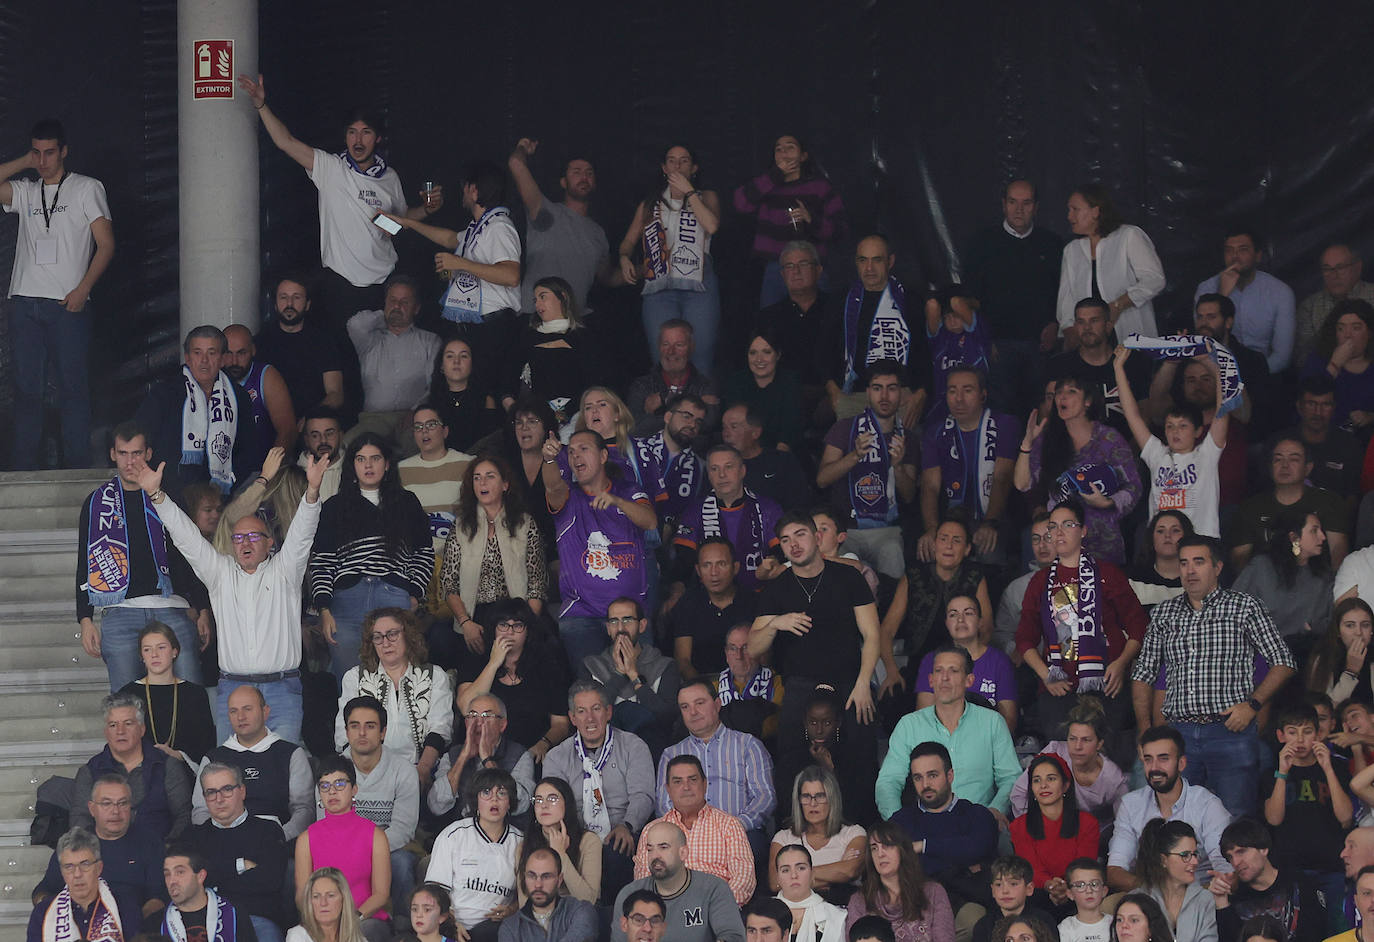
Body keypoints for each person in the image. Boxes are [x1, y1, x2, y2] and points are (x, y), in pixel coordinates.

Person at [139, 447, 325, 743]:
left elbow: (302, 533)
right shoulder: (220, 573)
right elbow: (187, 538)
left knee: (282, 770)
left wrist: (313, 491)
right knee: (230, 774)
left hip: (281, 690)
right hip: (233, 690)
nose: (245, 543)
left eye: (253, 537)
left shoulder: (285, 571)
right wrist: (157, 496)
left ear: (269, 543)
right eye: (238, 538)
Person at [237, 73, 440, 321]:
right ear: (345, 137)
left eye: (366, 132)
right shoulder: (331, 168)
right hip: (340, 284)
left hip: (384, 281)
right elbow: (285, 142)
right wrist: (261, 104)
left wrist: (427, 210)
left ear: (377, 138)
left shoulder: (390, 177)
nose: (358, 139)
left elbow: (401, 219)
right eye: (352, 132)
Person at [1130, 535, 1297, 817]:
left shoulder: (1244, 607)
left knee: (1234, 817)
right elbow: (1143, 672)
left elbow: (1284, 662)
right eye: (1183, 563)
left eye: (1198, 562)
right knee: (1179, 820)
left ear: (1217, 567)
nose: (1189, 570)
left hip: (1229, 730)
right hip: (1177, 733)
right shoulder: (1164, 613)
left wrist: (1252, 705)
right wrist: (1146, 730)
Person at [2, 119, 113, 469]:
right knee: (26, 390)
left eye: (49, 152)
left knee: (73, 389)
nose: (43, 159)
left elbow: (107, 245)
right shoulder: (25, 189)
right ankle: (23, 471)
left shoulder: (86, 188)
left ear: (64, 151)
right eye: (37, 152)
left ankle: (77, 469)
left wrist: (84, 289)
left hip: (68, 303)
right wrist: (24, 162)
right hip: (24, 301)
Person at [751, 509, 879, 801]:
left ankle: (865, 827)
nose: (793, 544)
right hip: (800, 683)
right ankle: (791, 833)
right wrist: (775, 623)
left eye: (800, 535)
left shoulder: (848, 577)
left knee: (860, 756)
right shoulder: (777, 589)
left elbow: (872, 634)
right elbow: (754, 647)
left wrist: (863, 683)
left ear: (816, 538)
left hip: (849, 681)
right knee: (792, 762)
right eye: (785, 540)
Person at [78, 421, 206, 692]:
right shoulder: (96, 501)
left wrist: (203, 607)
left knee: (191, 698)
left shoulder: (168, 495)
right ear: (112, 454)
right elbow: (85, 561)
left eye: (136, 453)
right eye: (123, 453)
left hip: (172, 606)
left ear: (148, 453)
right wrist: (85, 617)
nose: (129, 461)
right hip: (120, 611)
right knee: (126, 707)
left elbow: (189, 553)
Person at [1014, 499, 1146, 756]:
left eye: (1067, 524)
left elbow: (1139, 625)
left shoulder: (1107, 573)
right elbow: (1024, 638)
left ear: (1083, 530)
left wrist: (1120, 665)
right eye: (1053, 526)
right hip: (1058, 686)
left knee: (1106, 758)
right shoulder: (1041, 581)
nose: (1059, 532)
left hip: (1107, 684)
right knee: (1065, 759)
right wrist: (1045, 675)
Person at [310, 433, 433, 680]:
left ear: (387, 464)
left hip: (393, 593)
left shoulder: (406, 502)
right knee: (349, 681)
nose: (368, 465)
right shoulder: (335, 506)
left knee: (395, 677)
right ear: (352, 465)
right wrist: (324, 607)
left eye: (375, 458)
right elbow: (323, 561)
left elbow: (424, 553)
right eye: (360, 459)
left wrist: (413, 593)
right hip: (345, 599)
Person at [544, 429, 658, 667]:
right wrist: (549, 459)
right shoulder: (568, 498)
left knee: (641, 685)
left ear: (604, 456)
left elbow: (650, 521)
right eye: (572, 452)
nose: (576, 457)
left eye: (584, 449)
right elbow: (553, 487)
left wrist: (617, 501)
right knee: (592, 693)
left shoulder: (629, 491)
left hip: (630, 615)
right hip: (581, 616)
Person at [876, 645, 1021, 821]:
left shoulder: (993, 722)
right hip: (925, 825)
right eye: (938, 671)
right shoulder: (909, 725)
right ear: (930, 680)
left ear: (969, 680)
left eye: (953, 671)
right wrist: (898, 823)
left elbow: (1011, 777)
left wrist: (995, 811)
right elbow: (888, 781)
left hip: (979, 823)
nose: (944, 678)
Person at [1015, 371, 1142, 564]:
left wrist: (1107, 503)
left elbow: (1133, 486)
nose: (1062, 397)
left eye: (1071, 391)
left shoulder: (1108, 438)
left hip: (1103, 542)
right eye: (1058, 393)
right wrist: (1027, 445)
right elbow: (1022, 484)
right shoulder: (1047, 439)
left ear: (1088, 401)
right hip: (1061, 543)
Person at [618, 143, 723, 372]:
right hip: (660, 286)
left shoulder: (707, 197)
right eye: (672, 160)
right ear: (664, 167)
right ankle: (666, 407)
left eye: (684, 160)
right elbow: (627, 242)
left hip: (699, 285)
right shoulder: (650, 204)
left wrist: (689, 192)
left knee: (701, 358)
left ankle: (699, 406)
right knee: (663, 359)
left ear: (694, 167)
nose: (677, 165)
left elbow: (712, 225)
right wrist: (624, 258)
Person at [962, 180, 1064, 412]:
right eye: (1013, 202)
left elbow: (1064, 292)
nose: (1019, 209)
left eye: (1026, 203)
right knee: (1001, 415)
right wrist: (984, 339)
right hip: (996, 347)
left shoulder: (1052, 244)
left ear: (1036, 207)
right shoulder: (981, 243)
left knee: (1039, 413)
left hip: (1040, 347)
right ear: (1003, 205)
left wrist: (1055, 323)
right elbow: (970, 297)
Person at [542, 681, 655, 891]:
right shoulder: (556, 757)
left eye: (596, 709)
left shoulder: (633, 746)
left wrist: (627, 825)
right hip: (576, 836)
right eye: (582, 711)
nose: (590, 718)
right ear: (572, 718)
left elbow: (643, 795)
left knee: (618, 850)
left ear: (608, 712)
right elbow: (552, 805)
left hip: (622, 832)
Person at [439, 453, 548, 665]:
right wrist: (465, 623)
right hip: (475, 615)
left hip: (516, 612)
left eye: (490, 476)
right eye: (477, 477)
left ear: (505, 484)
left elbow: (537, 583)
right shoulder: (461, 526)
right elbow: (448, 584)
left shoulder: (524, 523)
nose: (482, 482)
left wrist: (523, 626)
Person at [817, 359, 919, 578]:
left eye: (891, 389)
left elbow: (910, 496)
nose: (884, 396)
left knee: (893, 554)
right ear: (867, 392)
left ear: (901, 395)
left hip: (886, 529)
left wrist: (898, 466)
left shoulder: (907, 437)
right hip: (846, 528)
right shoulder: (845, 428)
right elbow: (822, 479)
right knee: (838, 570)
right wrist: (854, 456)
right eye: (877, 388)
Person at [880, 517, 994, 709]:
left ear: (967, 549)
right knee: (893, 702)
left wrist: (972, 665)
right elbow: (887, 630)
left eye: (957, 540)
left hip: (963, 662)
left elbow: (987, 627)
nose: (949, 545)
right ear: (934, 545)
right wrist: (891, 671)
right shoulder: (914, 575)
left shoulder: (974, 575)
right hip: (919, 665)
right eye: (943, 539)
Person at [1114, 344, 1227, 537]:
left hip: (1198, 544)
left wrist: (1213, 367)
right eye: (1170, 426)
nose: (1175, 432)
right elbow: (1132, 415)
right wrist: (1118, 368)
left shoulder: (1206, 454)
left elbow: (1223, 410)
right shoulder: (1157, 454)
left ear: (1198, 431)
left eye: (1183, 426)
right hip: (1161, 545)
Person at [134, 324, 256, 503]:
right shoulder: (165, 394)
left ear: (222, 359)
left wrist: (226, 486)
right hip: (168, 497)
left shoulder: (238, 397)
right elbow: (140, 438)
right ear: (188, 358)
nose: (204, 360)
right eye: (197, 353)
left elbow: (248, 451)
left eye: (212, 353)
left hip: (219, 501)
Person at [1106, 726, 1232, 893]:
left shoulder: (1207, 805)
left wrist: (1188, 897)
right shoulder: (1131, 804)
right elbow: (1115, 871)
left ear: (1181, 763)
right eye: (1148, 759)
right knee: (1105, 908)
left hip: (1198, 896)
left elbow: (1226, 871)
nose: (1154, 767)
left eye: (1163, 758)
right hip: (1148, 897)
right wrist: (1158, 892)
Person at [334, 608, 454, 776]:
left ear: (408, 635)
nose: (385, 643)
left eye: (392, 634)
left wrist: (423, 770)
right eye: (378, 637)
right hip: (367, 771)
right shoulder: (354, 677)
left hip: (422, 769)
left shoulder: (435, 676)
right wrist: (366, 772)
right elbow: (343, 733)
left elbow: (441, 729)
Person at [31, 776, 163, 928]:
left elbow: (158, 898)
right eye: (107, 804)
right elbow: (42, 892)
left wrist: (128, 924)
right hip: (79, 927)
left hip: (133, 926)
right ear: (92, 808)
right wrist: (53, 910)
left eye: (122, 803)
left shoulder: (149, 842)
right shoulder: (74, 843)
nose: (115, 811)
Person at [887, 742, 999, 920]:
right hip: (914, 906)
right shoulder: (900, 821)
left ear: (950, 775)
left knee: (974, 919)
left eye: (932, 775)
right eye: (918, 777)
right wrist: (960, 864)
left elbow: (977, 848)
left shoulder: (976, 814)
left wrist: (922, 847)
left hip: (966, 904)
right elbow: (888, 863)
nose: (925, 785)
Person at [733, 133, 847, 305]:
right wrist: (774, 176)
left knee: (818, 321)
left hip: (810, 265)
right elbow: (740, 204)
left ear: (803, 156)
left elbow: (840, 229)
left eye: (790, 147)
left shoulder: (819, 187)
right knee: (772, 323)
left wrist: (811, 220)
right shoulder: (766, 184)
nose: (784, 152)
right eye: (778, 149)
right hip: (775, 266)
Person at [454, 599, 570, 765]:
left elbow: (561, 724)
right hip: (480, 754)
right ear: (493, 629)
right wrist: (493, 663)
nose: (509, 632)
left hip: (530, 755)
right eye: (503, 625)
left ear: (527, 631)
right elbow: (465, 706)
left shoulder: (547, 665)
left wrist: (544, 743)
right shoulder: (477, 659)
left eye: (517, 626)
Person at [918, 367, 1018, 558]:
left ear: (983, 395)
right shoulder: (936, 431)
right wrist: (931, 529)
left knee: (989, 548)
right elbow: (930, 485)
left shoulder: (1004, 424)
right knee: (928, 547)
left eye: (968, 390)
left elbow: (1002, 477)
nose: (959, 398)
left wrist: (990, 523)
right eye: (952, 391)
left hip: (995, 517)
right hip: (952, 519)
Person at [1266, 704, 1353, 922]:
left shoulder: (1338, 767)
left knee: (1336, 927)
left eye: (1307, 732)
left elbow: (1346, 818)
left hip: (1331, 868)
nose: (1300, 740)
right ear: (1280, 735)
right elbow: (1274, 819)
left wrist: (1328, 769)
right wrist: (1283, 772)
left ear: (1318, 734)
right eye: (1292, 732)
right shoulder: (1272, 772)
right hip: (1290, 870)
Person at [335, 696, 422, 914]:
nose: (362, 733)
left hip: (389, 849)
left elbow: (403, 831)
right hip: (342, 848)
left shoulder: (403, 770)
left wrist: (365, 851)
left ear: (383, 732)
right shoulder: (333, 770)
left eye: (370, 726)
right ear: (346, 732)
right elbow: (327, 825)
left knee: (401, 863)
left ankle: (404, 929)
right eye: (355, 726)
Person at [194, 685, 313, 840]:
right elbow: (200, 811)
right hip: (224, 843)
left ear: (265, 711)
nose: (241, 717)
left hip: (277, 844)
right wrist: (218, 838)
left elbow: (304, 809)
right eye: (233, 711)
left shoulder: (291, 754)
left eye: (247, 709)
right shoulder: (213, 758)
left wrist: (279, 836)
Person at [507, 138, 611, 316]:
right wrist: (523, 147)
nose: (584, 177)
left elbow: (609, 277)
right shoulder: (545, 211)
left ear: (595, 183)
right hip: (535, 317)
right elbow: (516, 163)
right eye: (576, 172)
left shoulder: (598, 233)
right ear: (563, 182)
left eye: (589, 173)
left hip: (574, 322)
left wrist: (647, 268)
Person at [636, 755, 756, 905]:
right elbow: (644, 883)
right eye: (677, 781)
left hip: (716, 911)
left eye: (692, 780)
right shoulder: (651, 830)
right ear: (668, 789)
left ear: (705, 784)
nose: (686, 787)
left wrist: (716, 909)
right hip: (668, 914)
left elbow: (744, 878)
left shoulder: (729, 825)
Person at [344, 275, 444, 454]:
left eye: (405, 302)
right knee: (347, 446)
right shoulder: (369, 340)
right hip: (373, 420)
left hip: (413, 418)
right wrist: (387, 314)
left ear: (417, 308)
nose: (397, 306)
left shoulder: (430, 341)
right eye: (393, 300)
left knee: (420, 450)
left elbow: (435, 385)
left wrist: (417, 412)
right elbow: (355, 324)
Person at [70, 693, 190, 843]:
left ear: (142, 729)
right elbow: (80, 821)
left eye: (128, 723)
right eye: (113, 725)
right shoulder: (90, 771)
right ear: (106, 732)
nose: (120, 731)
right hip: (106, 859)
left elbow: (184, 815)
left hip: (159, 856)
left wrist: (168, 851)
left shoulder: (167, 766)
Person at [829, 235, 928, 414]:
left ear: (890, 262)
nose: (869, 268)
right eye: (863, 260)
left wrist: (921, 393)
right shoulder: (842, 302)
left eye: (877, 260)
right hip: (854, 394)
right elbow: (823, 352)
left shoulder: (909, 301)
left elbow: (926, 353)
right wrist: (833, 392)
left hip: (899, 394)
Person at [295, 756, 390, 942]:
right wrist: (325, 922)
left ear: (354, 789)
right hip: (321, 920)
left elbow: (381, 894)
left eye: (339, 784)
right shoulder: (306, 839)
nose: (332, 792)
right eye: (324, 786)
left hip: (364, 918)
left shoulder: (375, 835)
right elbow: (302, 895)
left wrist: (350, 920)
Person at [657, 680, 776, 828]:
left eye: (699, 703)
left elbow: (764, 797)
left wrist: (734, 827)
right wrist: (689, 830)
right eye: (685, 707)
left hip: (741, 833)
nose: (693, 712)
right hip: (687, 837)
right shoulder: (671, 754)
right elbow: (664, 804)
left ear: (717, 704)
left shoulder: (748, 745)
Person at [194, 762, 291, 942]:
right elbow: (191, 884)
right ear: (204, 797)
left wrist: (214, 884)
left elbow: (270, 881)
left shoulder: (268, 830)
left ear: (242, 791)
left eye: (227, 789)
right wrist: (239, 865)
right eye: (211, 792)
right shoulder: (193, 837)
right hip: (206, 922)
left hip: (256, 920)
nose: (219, 799)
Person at [1055, 184, 1165, 343]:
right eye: (1069, 210)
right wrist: (1069, 331)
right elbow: (1066, 300)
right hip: (1089, 345)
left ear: (1095, 211)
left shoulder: (1129, 236)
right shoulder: (1072, 251)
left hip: (1131, 336)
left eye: (1075, 209)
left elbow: (1155, 279)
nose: (1069, 216)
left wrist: (1118, 305)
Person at [671, 443, 784, 594]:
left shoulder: (767, 508)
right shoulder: (695, 511)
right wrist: (676, 590)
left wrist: (773, 564)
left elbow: (781, 552)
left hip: (760, 596)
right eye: (714, 469)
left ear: (742, 471)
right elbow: (684, 562)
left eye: (728, 467)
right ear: (708, 474)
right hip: (709, 601)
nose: (722, 475)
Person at [427, 768, 523, 942]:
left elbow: (529, 894)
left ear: (510, 802)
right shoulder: (454, 835)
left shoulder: (521, 843)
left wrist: (511, 910)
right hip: (451, 926)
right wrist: (451, 923)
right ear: (475, 800)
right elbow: (434, 892)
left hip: (497, 929)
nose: (494, 799)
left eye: (501, 793)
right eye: (486, 792)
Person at [1229, 437, 1350, 571]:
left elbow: (1338, 550)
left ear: (1308, 468)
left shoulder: (1328, 501)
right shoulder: (1251, 507)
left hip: (1318, 582)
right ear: (1270, 467)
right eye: (1278, 459)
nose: (1285, 465)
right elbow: (1240, 557)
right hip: (1264, 584)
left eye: (1294, 459)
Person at [612, 823, 745, 942]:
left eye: (663, 847)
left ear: (683, 853)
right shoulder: (629, 894)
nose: (655, 856)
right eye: (650, 849)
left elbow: (733, 936)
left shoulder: (713, 888)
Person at [1009, 698, 1129, 829]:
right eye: (1072, 739)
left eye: (1086, 740)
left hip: (1092, 837)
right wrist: (1039, 828)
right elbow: (1019, 793)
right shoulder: (1054, 752)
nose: (1077, 746)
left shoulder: (1113, 779)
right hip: (1049, 829)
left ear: (1099, 743)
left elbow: (1124, 823)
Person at [577, 601, 682, 750]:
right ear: (608, 628)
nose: (620, 628)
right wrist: (619, 674)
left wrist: (634, 675)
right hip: (604, 750)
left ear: (642, 625)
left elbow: (667, 717)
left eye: (627, 620)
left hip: (651, 747)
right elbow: (589, 716)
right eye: (614, 621)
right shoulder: (590, 665)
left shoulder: (664, 665)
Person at [1233, 510, 1333, 659]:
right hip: (1263, 654)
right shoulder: (1262, 567)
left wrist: (1313, 628)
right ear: (1294, 537)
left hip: (1309, 653)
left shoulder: (1322, 575)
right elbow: (1234, 610)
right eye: (1314, 531)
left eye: (1321, 530)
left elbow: (1330, 621)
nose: (1323, 537)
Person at [1195, 227, 1296, 373]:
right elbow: (1204, 342)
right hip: (1216, 372)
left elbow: (1282, 357)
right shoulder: (1206, 289)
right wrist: (1222, 296)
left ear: (1258, 256)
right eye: (1229, 250)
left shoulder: (1280, 292)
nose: (1235, 257)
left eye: (1243, 250)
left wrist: (1251, 379)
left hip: (1264, 373)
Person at [1209, 818, 1327, 942]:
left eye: (1241, 852)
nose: (1236, 862)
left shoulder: (1300, 883)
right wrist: (1221, 902)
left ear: (1263, 849)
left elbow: (1318, 934)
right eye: (1230, 857)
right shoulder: (1234, 897)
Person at [773, 687, 877, 826]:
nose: (819, 730)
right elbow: (786, 809)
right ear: (805, 722)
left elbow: (856, 809)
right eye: (813, 723)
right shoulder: (790, 760)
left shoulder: (853, 757)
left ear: (838, 722)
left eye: (827, 722)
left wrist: (829, 770)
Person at [756, 241, 845, 404]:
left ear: (818, 270)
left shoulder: (840, 310)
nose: (796, 271)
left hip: (832, 397)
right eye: (789, 266)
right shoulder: (768, 317)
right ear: (782, 275)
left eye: (803, 264)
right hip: (784, 400)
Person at [911, 593, 1016, 730]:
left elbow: (1009, 721)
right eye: (953, 615)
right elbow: (923, 718)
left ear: (980, 621)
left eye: (968, 613)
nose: (961, 619)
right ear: (946, 623)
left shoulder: (999, 661)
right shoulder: (931, 660)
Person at [116, 622, 215, 766]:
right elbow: (120, 741)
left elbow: (206, 745)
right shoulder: (127, 694)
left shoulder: (195, 693)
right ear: (141, 656)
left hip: (185, 774)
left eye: (161, 647)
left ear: (174, 651)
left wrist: (178, 756)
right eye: (147, 650)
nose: (154, 655)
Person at [429, 692, 536, 824]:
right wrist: (462, 758)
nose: (479, 722)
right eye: (473, 716)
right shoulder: (453, 754)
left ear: (502, 725)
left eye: (487, 716)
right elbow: (436, 805)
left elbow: (521, 804)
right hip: (459, 834)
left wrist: (488, 760)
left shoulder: (520, 755)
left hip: (503, 834)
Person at [1009, 753, 1100, 908]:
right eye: (1037, 780)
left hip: (1079, 893)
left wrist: (1066, 888)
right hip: (1039, 896)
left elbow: (1084, 866)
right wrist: (1050, 885)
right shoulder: (1019, 826)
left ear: (1065, 785)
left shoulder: (1087, 823)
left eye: (1051, 779)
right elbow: (1031, 869)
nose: (1043, 785)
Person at [254, 273, 350, 418]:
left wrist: (310, 418)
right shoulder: (260, 342)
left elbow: (335, 394)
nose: (289, 304)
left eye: (296, 297)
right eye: (283, 297)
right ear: (275, 304)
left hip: (311, 425)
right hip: (270, 422)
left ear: (307, 304)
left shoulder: (324, 342)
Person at [769, 765, 866, 905]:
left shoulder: (854, 833)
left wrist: (794, 877)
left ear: (832, 799)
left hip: (841, 906)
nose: (813, 803)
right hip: (795, 911)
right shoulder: (783, 838)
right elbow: (775, 883)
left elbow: (849, 871)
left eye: (820, 796)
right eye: (806, 797)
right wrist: (835, 874)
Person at [844, 821, 955, 942]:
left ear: (902, 850)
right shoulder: (859, 900)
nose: (880, 854)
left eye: (887, 845)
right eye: (874, 848)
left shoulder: (933, 892)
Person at [26, 827, 140, 942]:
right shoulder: (43, 913)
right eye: (69, 867)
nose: (77, 874)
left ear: (99, 868)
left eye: (85, 864)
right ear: (62, 872)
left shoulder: (124, 905)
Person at [503, 275, 591, 424]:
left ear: (562, 296)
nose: (538, 304)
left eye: (543, 297)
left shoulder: (582, 337)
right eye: (535, 300)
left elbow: (592, 381)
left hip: (577, 416)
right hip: (534, 417)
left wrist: (566, 412)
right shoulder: (527, 336)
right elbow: (508, 377)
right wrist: (513, 408)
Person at [667, 539, 755, 681]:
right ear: (698, 570)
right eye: (707, 565)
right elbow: (683, 661)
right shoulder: (687, 604)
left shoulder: (753, 603)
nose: (714, 572)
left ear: (736, 568)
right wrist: (709, 692)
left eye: (721, 564)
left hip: (747, 684)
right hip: (703, 686)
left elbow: (763, 659)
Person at [515, 777, 603, 904]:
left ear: (566, 804)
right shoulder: (524, 846)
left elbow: (588, 900)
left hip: (576, 916)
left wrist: (561, 854)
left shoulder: (589, 841)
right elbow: (524, 903)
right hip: (539, 918)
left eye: (552, 799)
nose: (544, 805)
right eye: (538, 800)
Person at [626, 320, 722, 435]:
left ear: (691, 347)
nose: (671, 351)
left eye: (679, 345)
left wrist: (665, 402)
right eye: (666, 344)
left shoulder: (706, 385)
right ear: (659, 347)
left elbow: (708, 426)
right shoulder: (642, 385)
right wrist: (692, 409)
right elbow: (633, 427)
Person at [223, 323, 298, 469]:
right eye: (228, 353)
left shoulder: (266, 376)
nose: (234, 361)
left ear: (253, 350)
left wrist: (269, 474)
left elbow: (287, 430)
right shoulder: (212, 377)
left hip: (259, 471)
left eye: (241, 353)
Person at [1133, 819, 1219, 942]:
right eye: (1185, 855)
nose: (1195, 862)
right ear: (1163, 860)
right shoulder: (1138, 900)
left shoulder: (1204, 899)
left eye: (1195, 854)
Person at [721, 327, 805, 451]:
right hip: (742, 452)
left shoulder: (790, 382)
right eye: (753, 353)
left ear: (778, 355)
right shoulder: (736, 382)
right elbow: (733, 428)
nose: (759, 359)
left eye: (767, 352)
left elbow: (789, 432)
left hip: (781, 453)